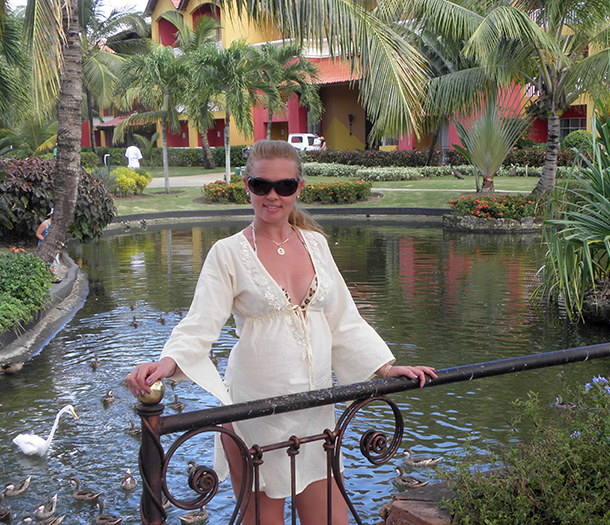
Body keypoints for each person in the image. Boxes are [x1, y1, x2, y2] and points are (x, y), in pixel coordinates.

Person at [125, 140, 436, 525]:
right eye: (261, 185)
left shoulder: (317, 245)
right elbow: (200, 324)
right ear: (247, 186)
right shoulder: (227, 253)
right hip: (255, 414)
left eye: (284, 186)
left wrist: (386, 368)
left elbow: (343, 320)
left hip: (315, 414)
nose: (272, 195)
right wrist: (166, 363)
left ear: (298, 188)